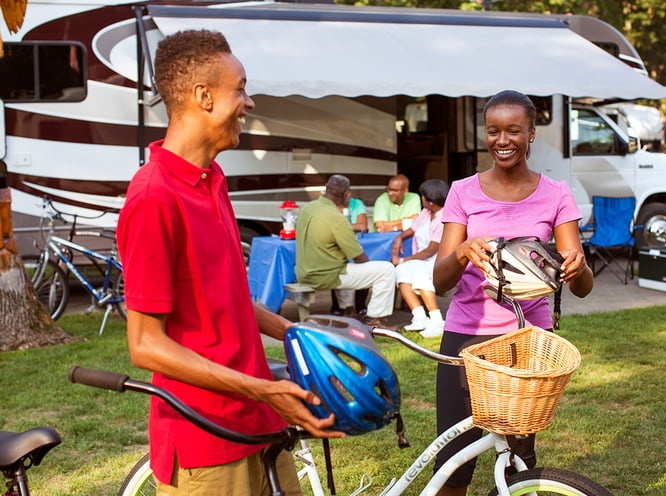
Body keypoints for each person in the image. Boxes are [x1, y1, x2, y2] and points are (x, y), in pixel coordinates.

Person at [116, 30, 343, 496]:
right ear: (204, 96)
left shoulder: (212, 177)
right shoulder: (153, 196)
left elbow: (228, 297)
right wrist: (264, 390)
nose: (249, 101)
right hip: (206, 441)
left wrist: (295, 332)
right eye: (240, 87)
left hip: (259, 422)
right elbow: (145, 345)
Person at [431, 90, 594, 496]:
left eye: (513, 131)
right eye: (493, 131)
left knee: (520, 458)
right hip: (467, 336)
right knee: (455, 461)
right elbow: (439, 280)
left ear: (532, 134)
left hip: (527, 341)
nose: (502, 140)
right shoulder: (463, 191)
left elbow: (582, 286)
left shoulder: (555, 194)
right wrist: (462, 252)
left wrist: (579, 266)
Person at [295, 174, 396, 327]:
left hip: (303, 272)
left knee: (344, 265)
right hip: (326, 276)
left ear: (326, 189)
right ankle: (375, 321)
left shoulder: (308, 208)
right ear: (346, 194)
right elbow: (358, 257)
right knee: (386, 270)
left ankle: (347, 309)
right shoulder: (336, 217)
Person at [391, 178, 449, 338]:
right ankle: (420, 317)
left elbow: (431, 249)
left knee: (416, 272)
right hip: (422, 259)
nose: (421, 198)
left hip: (438, 259)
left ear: (430, 200)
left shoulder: (444, 217)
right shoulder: (426, 212)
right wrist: (399, 238)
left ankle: (437, 320)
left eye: (423, 196)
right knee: (401, 271)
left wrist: (405, 259)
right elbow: (412, 229)